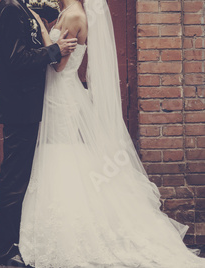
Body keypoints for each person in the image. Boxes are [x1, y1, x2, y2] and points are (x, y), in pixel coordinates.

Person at [19, 0, 205, 267]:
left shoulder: (74, 17)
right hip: (54, 95)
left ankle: (73, 234)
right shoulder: (64, 14)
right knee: (58, 155)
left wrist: (40, 26)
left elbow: (59, 65)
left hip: (62, 97)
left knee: (62, 156)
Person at [0, 0, 78, 266]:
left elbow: (46, 19)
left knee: (20, 180)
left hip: (30, 108)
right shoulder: (9, 8)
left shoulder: (24, 7)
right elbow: (16, 59)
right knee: (13, 181)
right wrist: (56, 50)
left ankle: (16, 243)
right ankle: (4, 252)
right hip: (19, 108)